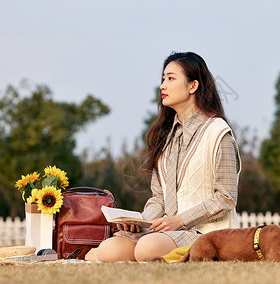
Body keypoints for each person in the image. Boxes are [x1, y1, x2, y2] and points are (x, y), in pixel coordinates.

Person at [85, 51, 241, 262]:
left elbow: (226, 198)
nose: (162, 86)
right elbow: (158, 198)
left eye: (171, 78)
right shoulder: (166, 136)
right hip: (168, 231)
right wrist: (141, 222)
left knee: (146, 249)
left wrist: (180, 220)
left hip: (207, 233)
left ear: (193, 86)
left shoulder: (218, 132)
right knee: (109, 250)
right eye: (162, 79)